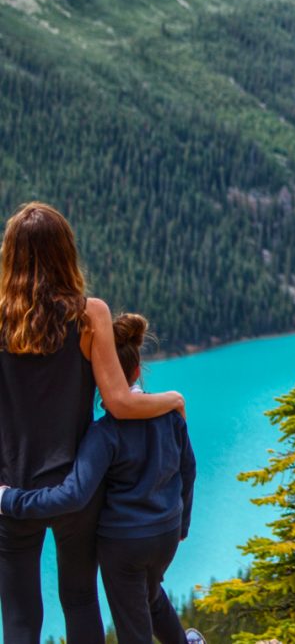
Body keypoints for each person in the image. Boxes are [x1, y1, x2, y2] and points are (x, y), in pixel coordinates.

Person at [0, 202, 186, 643]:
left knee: (20, 618)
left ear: (10, 255)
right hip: (78, 488)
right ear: (66, 251)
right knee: (80, 600)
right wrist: (172, 400)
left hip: (10, 490)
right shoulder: (88, 314)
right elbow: (119, 403)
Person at [0, 313, 204, 644]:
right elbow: (188, 470)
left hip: (123, 542)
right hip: (166, 532)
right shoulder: (171, 417)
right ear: (137, 370)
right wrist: (182, 524)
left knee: (131, 625)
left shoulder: (103, 435)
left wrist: (9, 499)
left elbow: (73, 494)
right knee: (149, 595)